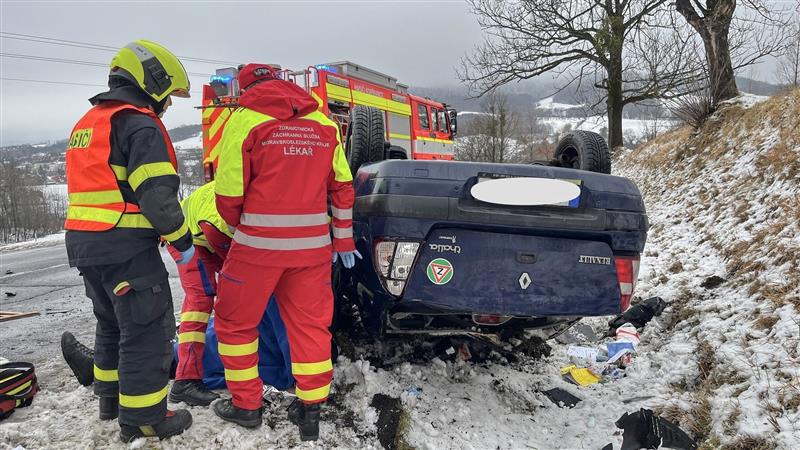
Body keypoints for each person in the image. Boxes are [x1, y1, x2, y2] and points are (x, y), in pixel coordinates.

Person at [212, 63, 359, 441]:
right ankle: (310, 410)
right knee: (310, 327)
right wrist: (342, 240)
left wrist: (236, 229)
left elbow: (228, 194)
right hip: (311, 251)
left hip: (256, 248)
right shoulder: (324, 123)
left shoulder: (243, 120)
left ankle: (247, 405)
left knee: (234, 323)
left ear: (245, 89)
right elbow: (342, 187)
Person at [64, 39, 194, 442]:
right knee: (147, 330)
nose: (169, 105)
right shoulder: (138, 123)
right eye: (168, 95)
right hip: (126, 247)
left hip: (86, 246)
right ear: (151, 80)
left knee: (111, 324)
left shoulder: (89, 123)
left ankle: (111, 398)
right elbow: (156, 194)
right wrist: (182, 240)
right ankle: (145, 418)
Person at [167, 181, 294, 405]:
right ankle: (186, 379)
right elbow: (239, 278)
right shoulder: (222, 222)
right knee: (201, 300)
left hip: (205, 231)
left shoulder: (259, 204)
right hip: (185, 239)